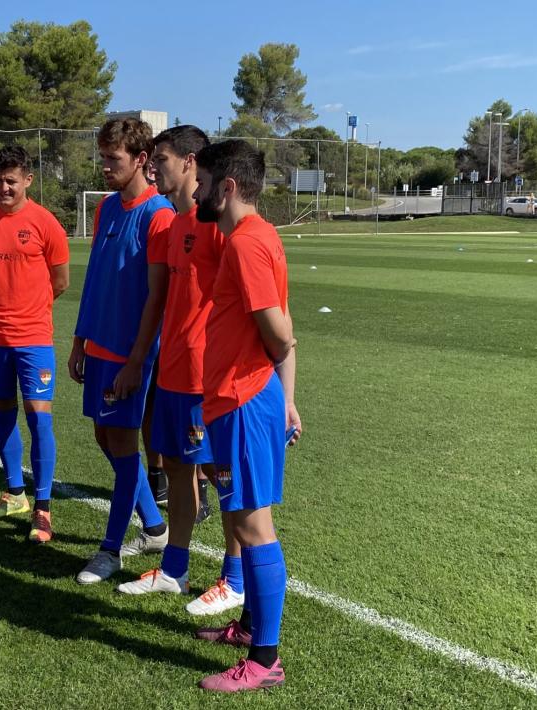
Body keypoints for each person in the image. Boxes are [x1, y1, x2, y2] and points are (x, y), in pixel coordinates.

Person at [114, 126, 246, 618]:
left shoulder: (218, 227)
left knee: (222, 474)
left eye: (162, 160)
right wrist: (140, 358)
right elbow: (161, 301)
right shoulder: (172, 228)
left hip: (205, 376)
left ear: (191, 162)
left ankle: (234, 578)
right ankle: (174, 569)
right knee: (177, 470)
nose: (154, 169)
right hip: (171, 372)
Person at [189, 140, 302, 693]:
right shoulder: (252, 238)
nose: (198, 191)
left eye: (205, 182)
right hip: (235, 399)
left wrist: (278, 393)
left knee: (255, 527)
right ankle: (251, 628)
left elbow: (280, 331)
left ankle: (265, 661)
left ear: (227, 187)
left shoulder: (247, 244)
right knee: (238, 520)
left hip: (243, 401)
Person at [70, 118, 174, 585]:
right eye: (103, 157)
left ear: (141, 160)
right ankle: (154, 526)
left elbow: (157, 297)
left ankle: (110, 550)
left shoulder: (159, 215)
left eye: (114, 159)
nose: (105, 167)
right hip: (99, 345)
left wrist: (137, 362)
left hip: (131, 352)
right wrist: (78, 340)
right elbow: (95, 278)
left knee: (123, 445)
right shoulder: (107, 209)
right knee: (104, 439)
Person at [0, 146, 70, 543]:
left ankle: (42, 509)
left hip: (33, 339)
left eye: (11, 180)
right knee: (3, 414)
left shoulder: (46, 224)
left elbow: (59, 281)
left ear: (28, 179)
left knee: (39, 417)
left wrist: (30, 311)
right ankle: (15, 494)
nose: (4, 187)